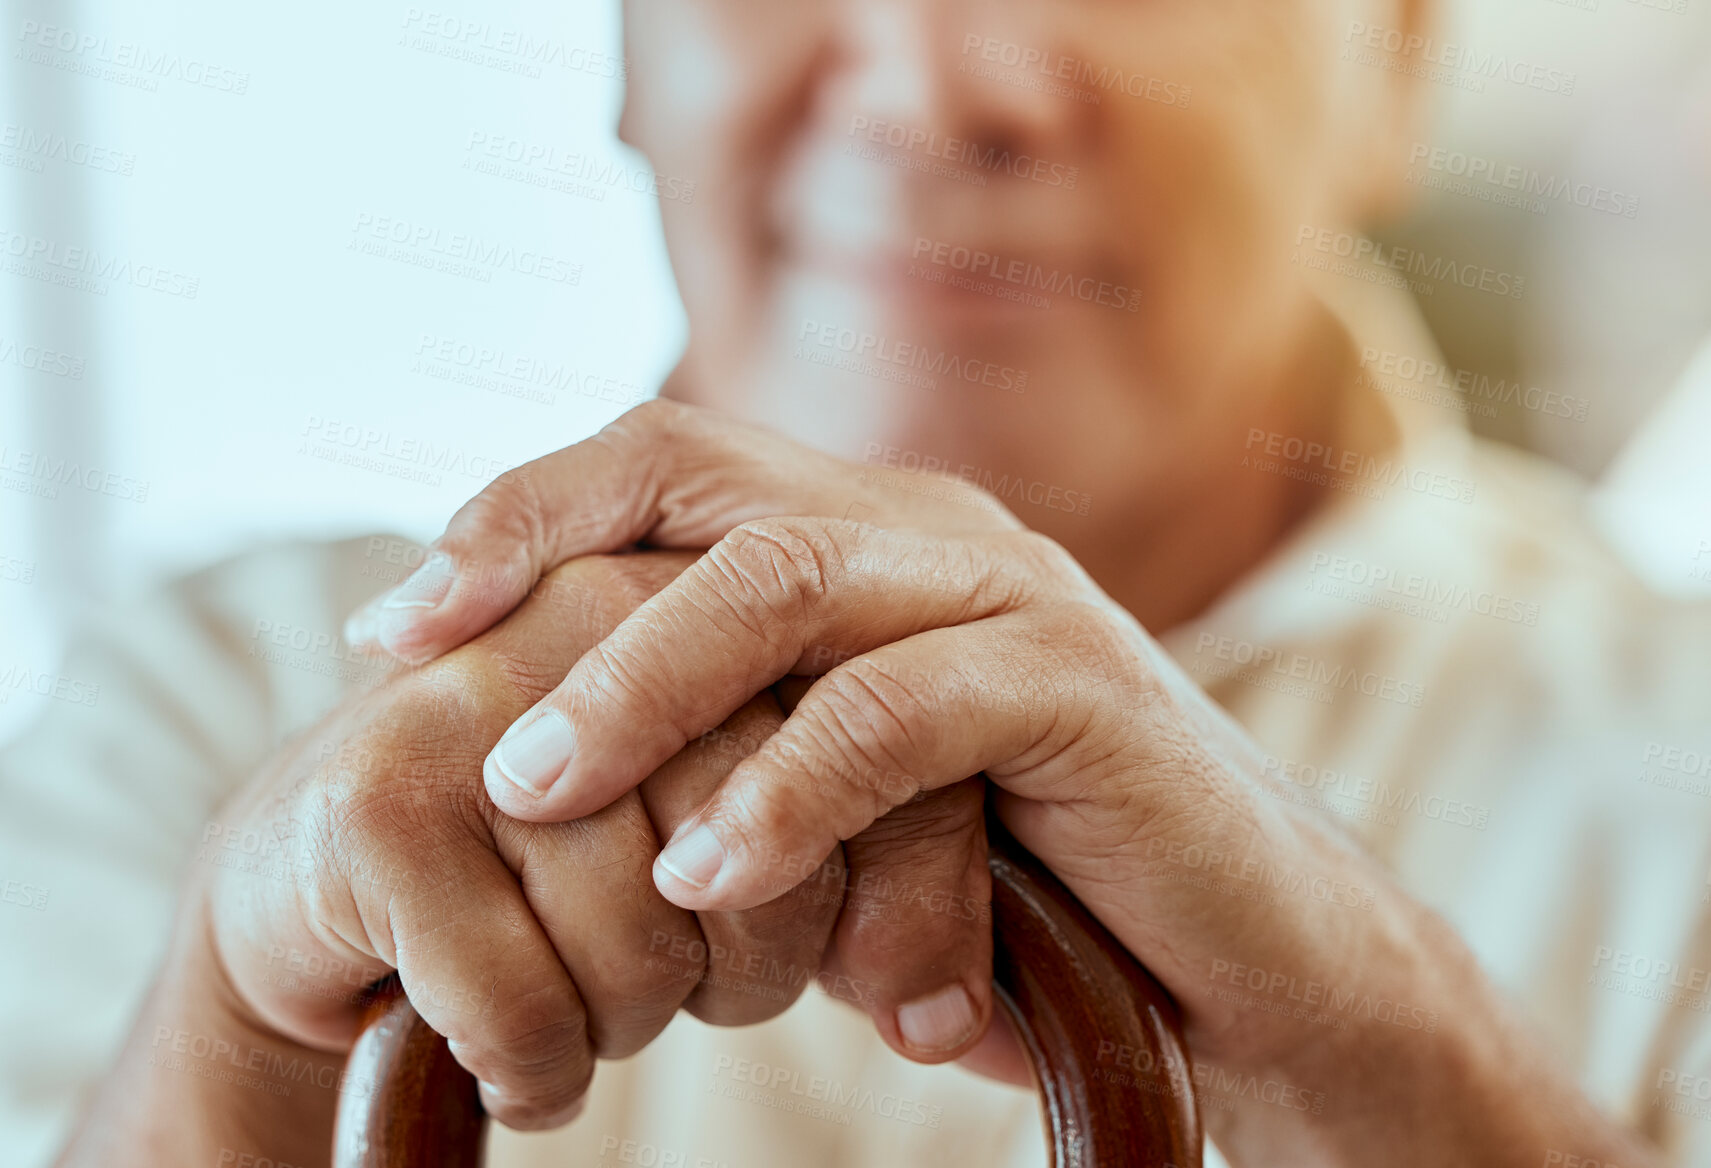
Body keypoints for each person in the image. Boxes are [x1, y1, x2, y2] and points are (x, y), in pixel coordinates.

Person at [8, 0, 1711, 1165]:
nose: (922, 89)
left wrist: (1386, 1064)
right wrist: (226, 1056)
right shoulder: (202, 717)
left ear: (1399, 56)